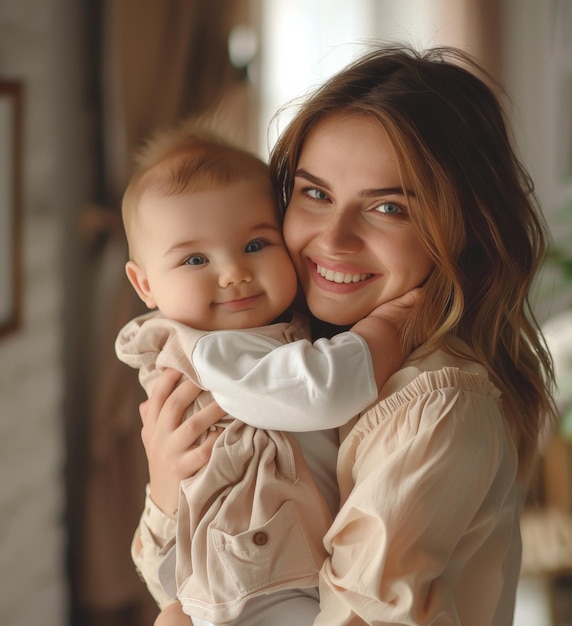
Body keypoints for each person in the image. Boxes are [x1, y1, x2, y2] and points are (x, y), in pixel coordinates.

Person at [134, 44, 557, 626]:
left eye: (388, 207)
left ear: (465, 226)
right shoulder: (286, 346)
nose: (334, 239)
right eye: (315, 193)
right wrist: (164, 484)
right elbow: (191, 578)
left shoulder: (434, 404)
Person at [116, 118, 416, 626]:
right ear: (145, 285)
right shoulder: (213, 352)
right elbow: (320, 391)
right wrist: (393, 323)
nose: (233, 272)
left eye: (256, 245)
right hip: (259, 586)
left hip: (266, 574)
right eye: (194, 259)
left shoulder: (279, 328)